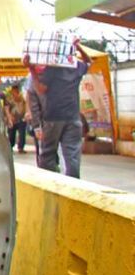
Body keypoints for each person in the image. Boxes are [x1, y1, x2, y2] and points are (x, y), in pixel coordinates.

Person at [26, 40, 91, 178]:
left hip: (53, 118)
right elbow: (89, 61)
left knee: (47, 155)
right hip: (73, 118)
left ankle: (54, 180)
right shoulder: (76, 67)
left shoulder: (52, 69)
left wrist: (31, 69)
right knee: (72, 155)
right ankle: (73, 185)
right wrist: (78, 46)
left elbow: (41, 89)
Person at [2, 81, 28, 153]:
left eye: (17, 90)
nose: (16, 92)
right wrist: (9, 118)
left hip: (21, 118)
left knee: (22, 133)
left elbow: (25, 106)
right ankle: (10, 147)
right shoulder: (9, 99)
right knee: (11, 134)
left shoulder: (22, 98)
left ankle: (21, 147)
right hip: (12, 119)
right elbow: (6, 109)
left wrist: (25, 114)